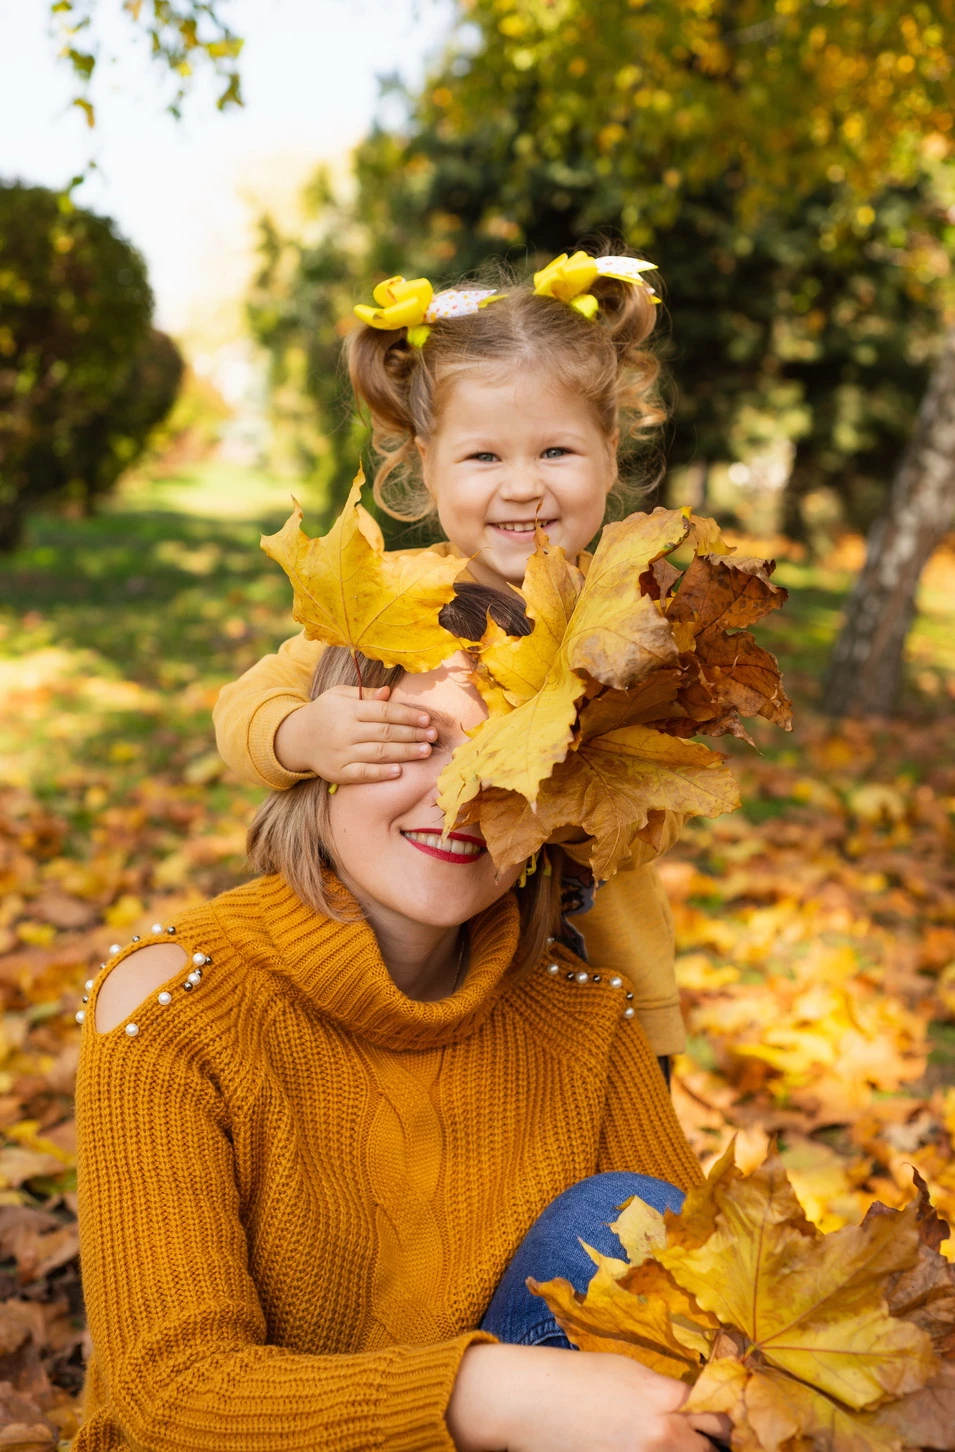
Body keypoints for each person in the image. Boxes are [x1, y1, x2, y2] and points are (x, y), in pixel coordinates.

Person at [74, 583, 726, 1452]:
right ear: (318, 758)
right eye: (415, 744)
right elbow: (172, 1396)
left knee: (630, 1227)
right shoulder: (175, 1002)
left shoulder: (581, 1018)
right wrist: (488, 1396)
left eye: (504, 761)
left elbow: (718, 1313)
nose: (457, 798)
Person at [213, 247, 686, 1067]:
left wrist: (573, 777)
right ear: (424, 467)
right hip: (456, 996)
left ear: (609, 453)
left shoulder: (628, 622)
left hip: (607, 998)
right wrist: (301, 737)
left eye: (555, 452)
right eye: (483, 457)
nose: (522, 487)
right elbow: (239, 710)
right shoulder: (393, 604)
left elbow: (656, 807)